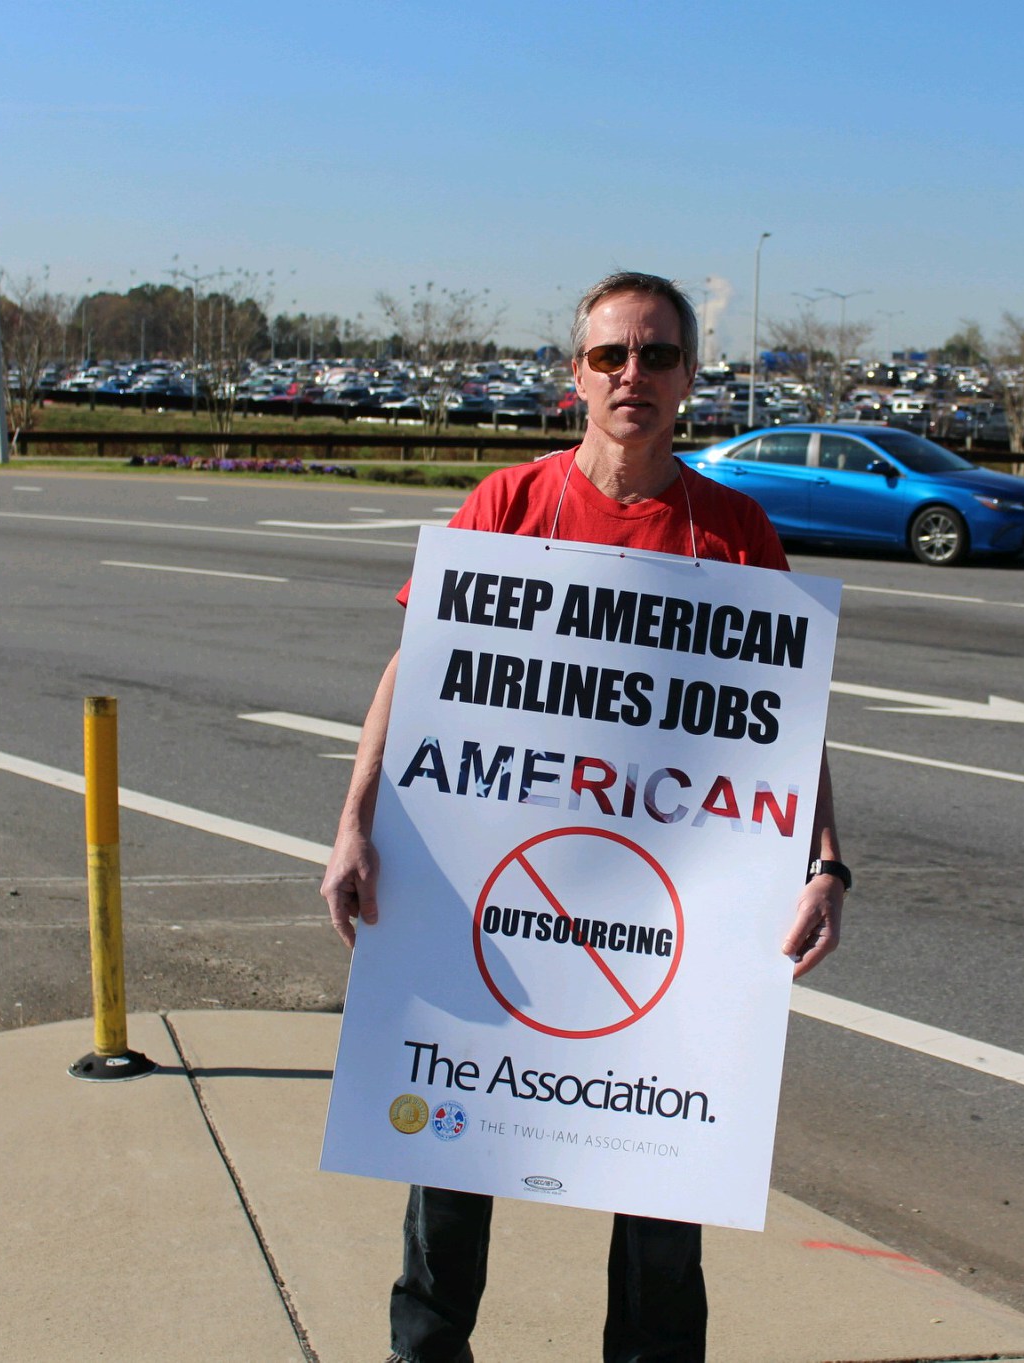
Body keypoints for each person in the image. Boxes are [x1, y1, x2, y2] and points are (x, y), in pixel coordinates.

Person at [321, 271, 848, 1363]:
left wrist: (826, 863)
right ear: (576, 375)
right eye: (611, 355)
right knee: (452, 1154)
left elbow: (783, 725)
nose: (632, 376)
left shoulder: (733, 531)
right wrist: (355, 818)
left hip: (664, 923)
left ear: (690, 380)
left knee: (664, 1186)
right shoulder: (509, 506)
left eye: (656, 356)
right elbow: (414, 671)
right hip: (495, 899)